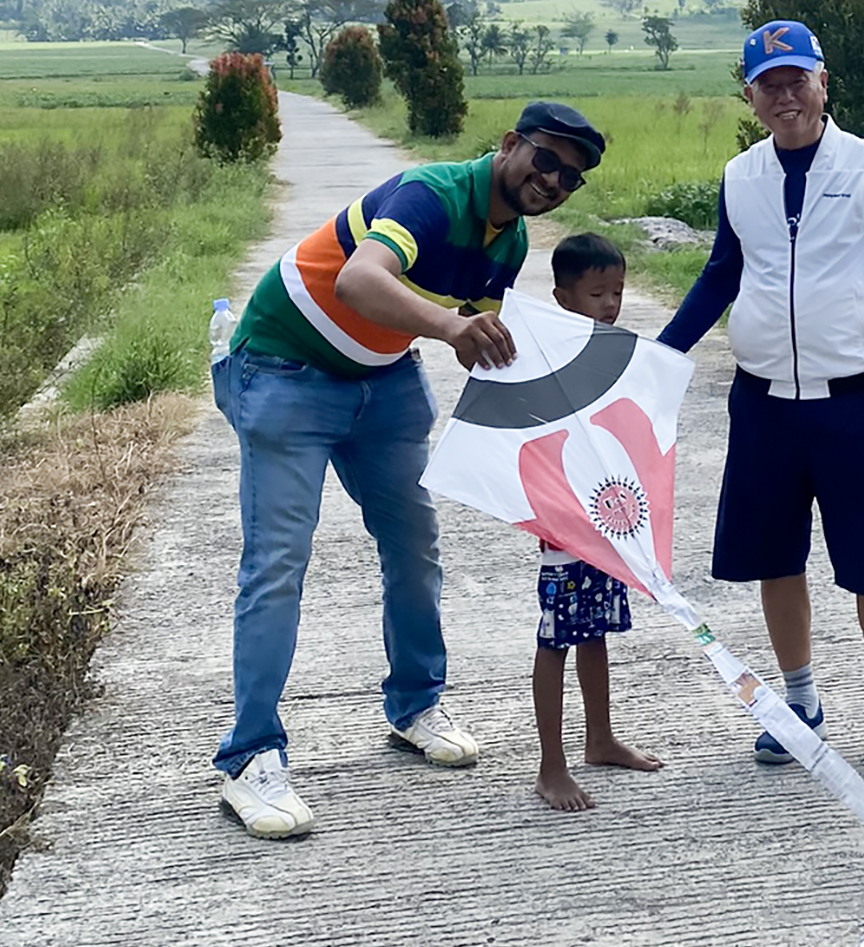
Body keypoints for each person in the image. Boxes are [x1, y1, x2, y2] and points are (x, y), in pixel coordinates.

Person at [212, 99, 606, 839]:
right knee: (278, 563)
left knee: (416, 548)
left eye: (571, 177)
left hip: (383, 379)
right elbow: (359, 282)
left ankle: (416, 704)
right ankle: (249, 756)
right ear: (510, 144)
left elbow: (482, 341)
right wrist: (451, 326)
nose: (553, 180)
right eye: (546, 159)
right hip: (283, 368)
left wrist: (569, 431)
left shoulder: (510, 241)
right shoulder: (432, 194)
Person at [656, 20, 864, 779]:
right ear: (750, 96)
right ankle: (799, 702)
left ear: (822, 82)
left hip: (850, 401)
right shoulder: (741, 176)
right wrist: (658, 357)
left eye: (796, 80)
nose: (785, 97)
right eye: (768, 85)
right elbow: (721, 272)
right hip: (764, 403)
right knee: (777, 557)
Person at [532, 232, 666, 811]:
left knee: (594, 632)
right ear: (562, 298)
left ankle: (600, 738)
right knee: (556, 637)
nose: (610, 304)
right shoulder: (545, 359)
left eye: (618, 291)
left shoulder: (611, 353)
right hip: (564, 527)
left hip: (608, 519)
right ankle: (551, 765)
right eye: (596, 294)